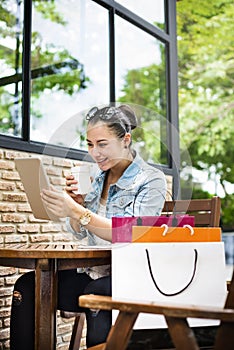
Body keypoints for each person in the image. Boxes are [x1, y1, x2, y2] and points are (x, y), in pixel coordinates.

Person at [10, 104, 167, 349]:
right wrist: (76, 206)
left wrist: (78, 211)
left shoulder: (151, 180)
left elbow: (130, 234)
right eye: (89, 144)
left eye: (102, 144)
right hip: (93, 272)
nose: (95, 153)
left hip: (131, 276)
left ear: (125, 140)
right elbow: (80, 231)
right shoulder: (98, 178)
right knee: (28, 285)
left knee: (96, 292)